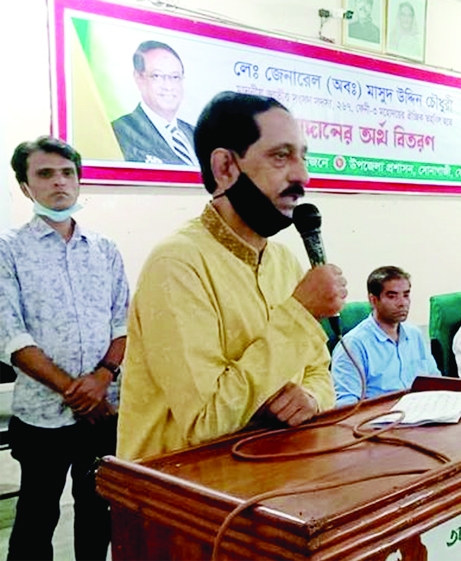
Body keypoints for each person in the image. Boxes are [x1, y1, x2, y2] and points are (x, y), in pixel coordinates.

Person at [117, 92, 346, 460]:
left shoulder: (284, 262)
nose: (302, 175)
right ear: (225, 167)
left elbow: (319, 372)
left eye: (304, 157)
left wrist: (310, 398)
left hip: (268, 473)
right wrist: (300, 314)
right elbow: (205, 421)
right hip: (175, 493)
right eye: (280, 156)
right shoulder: (177, 264)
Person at [0, 136, 129, 560]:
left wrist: (102, 380)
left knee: (97, 512)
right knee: (37, 515)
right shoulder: (8, 250)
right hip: (41, 415)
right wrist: (76, 391)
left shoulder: (105, 250)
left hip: (104, 409)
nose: (59, 182)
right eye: (45, 174)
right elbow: (11, 337)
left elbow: (122, 324)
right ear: (25, 187)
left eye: (67, 173)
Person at [331, 266, 438, 406]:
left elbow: (435, 381)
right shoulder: (353, 345)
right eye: (392, 296)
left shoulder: (414, 334)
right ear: (373, 300)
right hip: (381, 421)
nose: (402, 303)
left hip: (422, 414)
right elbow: (346, 405)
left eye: (406, 295)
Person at [111, 40, 198, 166]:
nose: (168, 86)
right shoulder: (120, 131)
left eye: (175, 77)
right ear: (138, 78)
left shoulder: (196, 134)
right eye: (157, 76)